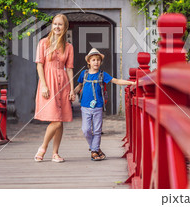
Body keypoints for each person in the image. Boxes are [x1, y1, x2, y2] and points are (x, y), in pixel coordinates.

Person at [74, 48, 135, 161]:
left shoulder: (103, 75)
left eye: (98, 60)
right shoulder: (84, 74)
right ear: (89, 62)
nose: (96, 62)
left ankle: (94, 151)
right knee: (86, 130)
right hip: (85, 106)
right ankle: (95, 148)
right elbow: (79, 86)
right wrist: (72, 92)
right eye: (93, 60)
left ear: (100, 62)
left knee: (97, 130)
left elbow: (116, 81)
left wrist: (132, 82)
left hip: (98, 106)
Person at [34, 14, 75, 163]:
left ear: (65, 27)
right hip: (49, 83)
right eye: (55, 24)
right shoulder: (43, 43)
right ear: (52, 25)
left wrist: (71, 89)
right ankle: (43, 148)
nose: (57, 27)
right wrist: (43, 84)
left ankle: (55, 153)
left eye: (60, 25)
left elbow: (69, 68)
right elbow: (39, 65)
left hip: (63, 84)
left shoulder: (69, 47)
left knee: (60, 119)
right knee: (56, 120)